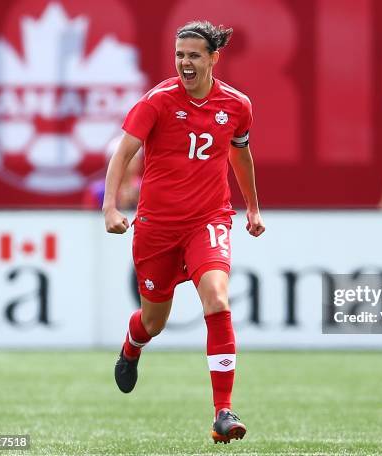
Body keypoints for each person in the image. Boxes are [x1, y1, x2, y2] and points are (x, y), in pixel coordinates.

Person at [102, 20, 265, 444]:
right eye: (179, 55)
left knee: (217, 297)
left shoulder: (237, 105)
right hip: (156, 227)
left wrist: (251, 206)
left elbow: (240, 155)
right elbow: (122, 155)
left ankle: (223, 413)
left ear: (214, 58)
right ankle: (132, 345)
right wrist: (110, 206)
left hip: (208, 219)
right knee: (154, 321)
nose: (185, 63)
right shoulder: (157, 101)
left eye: (194, 55)